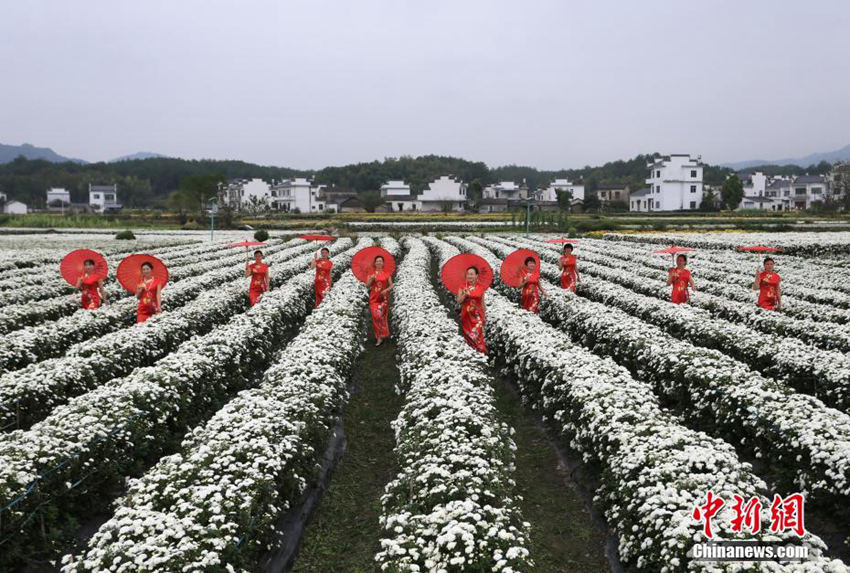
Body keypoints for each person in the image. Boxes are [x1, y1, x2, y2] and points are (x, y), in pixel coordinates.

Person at [456, 265, 487, 354]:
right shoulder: (462, 286)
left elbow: (482, 302)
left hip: (477, 316)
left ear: (476, 275)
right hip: (466, 315)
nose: (469, 276)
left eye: (472, 274)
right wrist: (464, 295)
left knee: (477, 335)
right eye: (468, 274)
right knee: (468, 335)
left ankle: (480, 352)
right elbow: (459, 301)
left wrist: (484, 316)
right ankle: (471, 354)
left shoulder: (481, 287)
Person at [366, 255, 393, 346]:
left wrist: (386, 290)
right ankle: (379, 337)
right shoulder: (371, 273)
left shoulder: (387, 273)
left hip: (384, 298)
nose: (379, 262)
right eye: (377, 261)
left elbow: (391, 285)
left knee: (382, 316)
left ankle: (383, 334)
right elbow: (367, 285)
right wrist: (371, 279)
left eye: (380, 261)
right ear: (375, 263)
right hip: (374, 298)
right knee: (376, 316)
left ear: (383, 263)